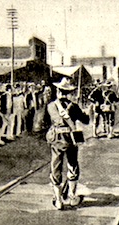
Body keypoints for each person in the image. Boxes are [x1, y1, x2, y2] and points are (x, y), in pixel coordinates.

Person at [46, 77, 90, 210]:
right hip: (71, 139)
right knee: (72, 166)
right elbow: (86, 120)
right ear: (69, 93)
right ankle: (72, 197)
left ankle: (58, 200)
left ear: (58, 91)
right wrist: (85, 112)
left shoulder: (51, 106)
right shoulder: (74, 106)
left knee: (56, 167)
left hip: (56, 140)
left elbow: (48, 121)